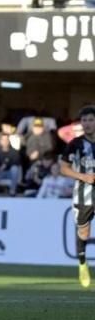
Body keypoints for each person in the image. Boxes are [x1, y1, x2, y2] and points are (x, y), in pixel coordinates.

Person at [59, 105, 95, 288]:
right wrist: (83, 176)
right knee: (84, 232)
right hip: (83, 195)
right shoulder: (75, 143)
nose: (87, 124)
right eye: (84, 120)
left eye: (90, 120)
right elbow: (63, 168)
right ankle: (82, 263)